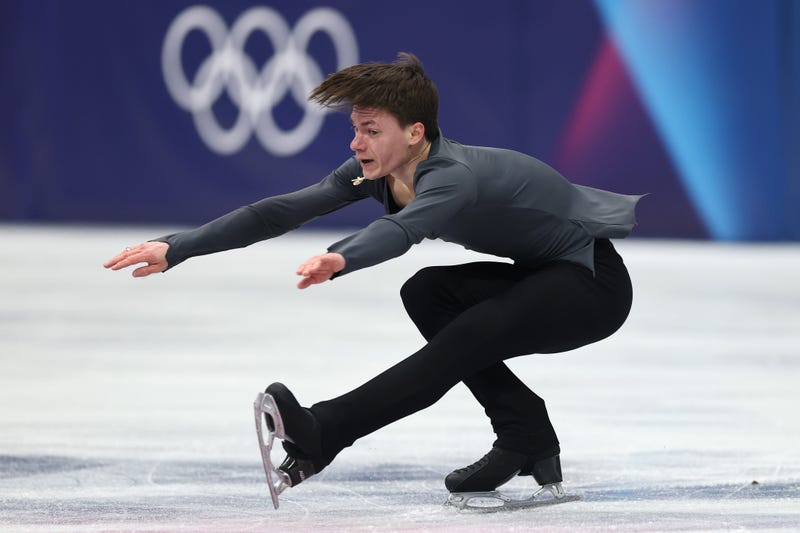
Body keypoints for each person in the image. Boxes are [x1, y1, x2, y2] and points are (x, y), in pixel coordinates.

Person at [104, 52, 643, 501]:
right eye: (355, 129)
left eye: (370, 130)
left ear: (414, 133)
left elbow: (406, 230)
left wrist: (342, 258)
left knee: (471, 334)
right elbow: (283, 210)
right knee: (429, 293)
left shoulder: (452, 176)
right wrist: (178, 247)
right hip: (541, 273)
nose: (356, 144)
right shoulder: (373, 171)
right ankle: (524, 431)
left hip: (592, 284)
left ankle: (323, 432)